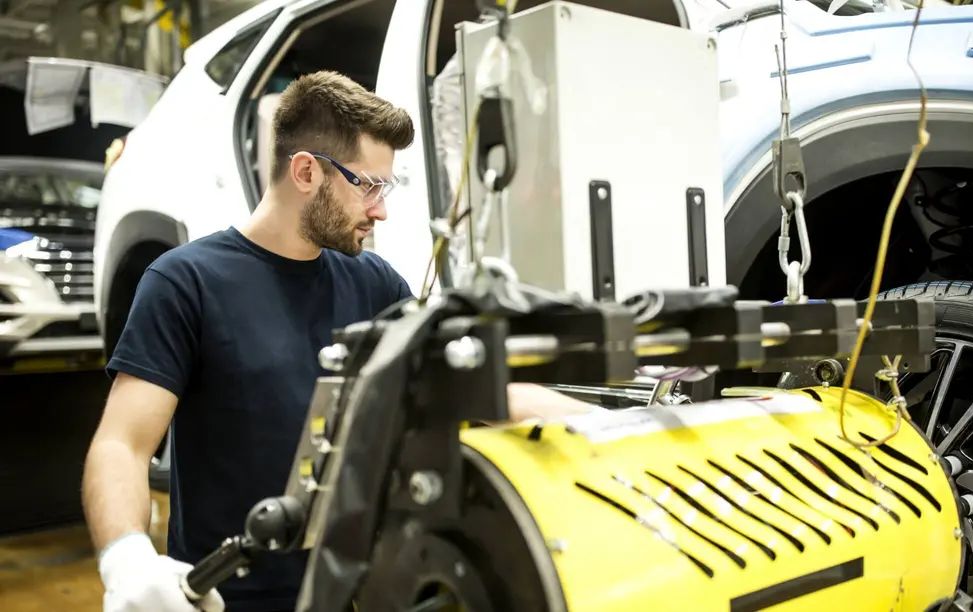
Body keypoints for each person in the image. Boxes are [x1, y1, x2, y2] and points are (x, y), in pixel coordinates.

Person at [81, 71, 596, 612]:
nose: (381, 209)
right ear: (306, 171)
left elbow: (481, 390)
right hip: (233, 601)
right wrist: (126, 560)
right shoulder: (185, 282)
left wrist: (610, 429)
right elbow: (122, 444)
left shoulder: (375, 284)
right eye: (369, 185)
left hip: (364, 593)